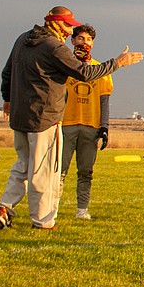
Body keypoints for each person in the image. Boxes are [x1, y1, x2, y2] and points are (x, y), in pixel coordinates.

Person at [0, 6, 143, 231]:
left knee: (22, 165)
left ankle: (5, 207)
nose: (69, 31)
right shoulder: (54, 47)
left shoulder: (22, 39)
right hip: (45, 118)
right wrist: (118, 63)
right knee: (45, 172)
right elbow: (85, 74)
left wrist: (7, 98)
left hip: (20, 116)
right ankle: (43, 221)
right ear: (54, 23)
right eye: (67, 26)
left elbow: (7, 72)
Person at [59, 24, 114, 221]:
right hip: (66, 125)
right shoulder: (63, 66)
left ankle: (82, 209)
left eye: (89, 40)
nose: (85, 43)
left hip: (90, 126)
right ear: (72, 41)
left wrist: (104, 127)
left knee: (86, 171)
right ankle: (50, 208)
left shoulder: (101, 70)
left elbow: (104, 100)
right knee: (60, 171)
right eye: (81, 39)